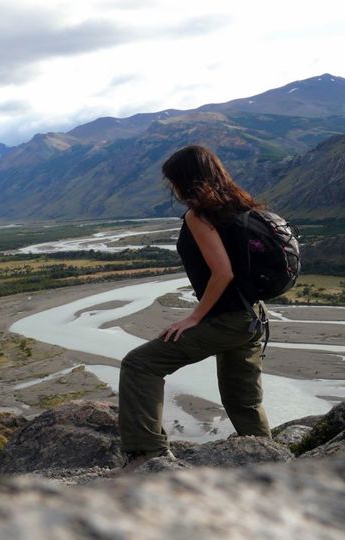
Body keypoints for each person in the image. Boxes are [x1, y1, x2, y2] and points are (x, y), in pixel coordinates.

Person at [116, 144, 271, 472]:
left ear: (185, 181)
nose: (173, 188)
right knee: (244, 402)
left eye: (174, 181)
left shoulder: (199, 215)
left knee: (140, 365)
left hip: (228, 320)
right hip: (252, 318)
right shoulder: (242, 207)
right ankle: (270, 461)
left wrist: (194, 317)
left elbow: (223, 272)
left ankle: (147, 454)